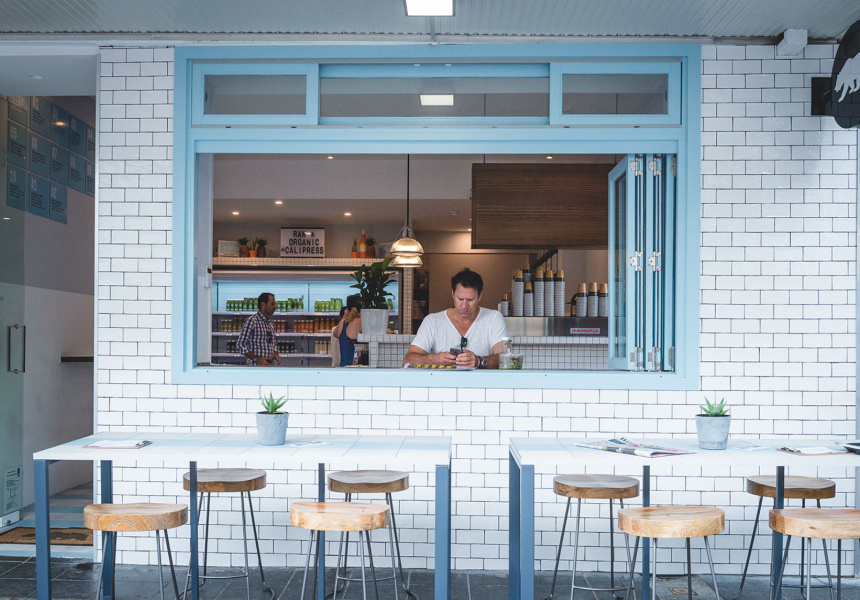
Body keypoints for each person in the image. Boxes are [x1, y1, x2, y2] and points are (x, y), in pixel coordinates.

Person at [403, 268, 508, 369]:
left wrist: (479, 361)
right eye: (460, 299)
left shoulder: (494, 318)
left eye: (470, 300)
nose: (464, 306)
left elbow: (505, 359)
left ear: (480, 296)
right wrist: (435, 359)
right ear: (453, 294)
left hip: (482, 381)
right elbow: (407, 360)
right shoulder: (432, 321)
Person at [236, 292, 280, 366]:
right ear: (263, 305)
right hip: (255, 367)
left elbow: (273, 342)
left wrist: (275, 352)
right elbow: (240, 345)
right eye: (272, 304)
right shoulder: (252, 321)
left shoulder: (270, 323)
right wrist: (257, 359)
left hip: (269, 365)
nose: (275, 307)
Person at [333, 295, 362, 367]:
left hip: (343, 367)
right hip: (357, 369)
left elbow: (335, 334)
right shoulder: (361, 321)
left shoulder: (342, 322)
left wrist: (345, 316)